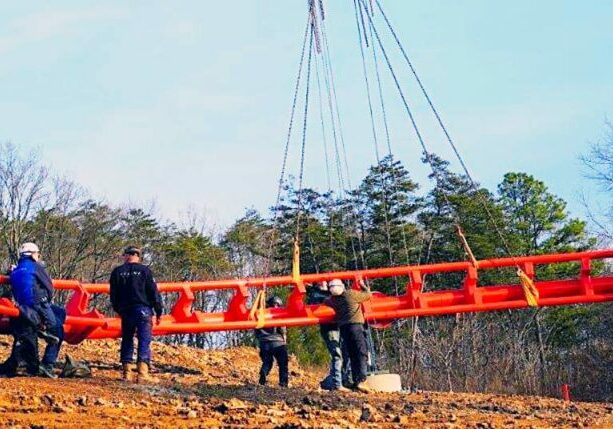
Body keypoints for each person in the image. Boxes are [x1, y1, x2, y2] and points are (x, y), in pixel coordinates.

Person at [109, 246, 163, 383]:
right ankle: (142, 373)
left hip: (126, 310)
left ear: (125, 256)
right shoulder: (145, 271)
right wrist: (159, 311)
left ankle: (127, 372)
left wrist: (118, 310)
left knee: (127, 339)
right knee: (144, 340)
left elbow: (113, 295)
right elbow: (153, 292)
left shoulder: (117, 272)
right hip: (143, 309)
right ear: (138, 256)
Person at [324, 278, 372, 393]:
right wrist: (362, 285)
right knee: (361, 353)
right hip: (356, 327)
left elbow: (326, 301)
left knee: (352, 354)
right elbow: (368, 295)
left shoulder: (333, 300)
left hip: (344, 330)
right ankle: (361, 380)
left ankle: (356, 381)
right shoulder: (351, 295)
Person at [9, 243, 60, 345]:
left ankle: (40, 327)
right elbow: (48, 284)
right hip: (38, 301)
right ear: (32, 254)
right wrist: (47, 298)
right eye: (37, 253)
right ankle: (42, 331)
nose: (38, 256)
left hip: (22, 305)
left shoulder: (16, 270)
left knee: (37, 318)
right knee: (54, 323)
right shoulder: (36, 266)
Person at [306, 282, 350, 392]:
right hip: (329, 328)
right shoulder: (316, 294)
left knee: (346, 353)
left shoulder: (332, 294)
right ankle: (337, 384)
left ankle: (341, 380)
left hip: (339, 326)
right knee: (337, 354)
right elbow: (313, 306)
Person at [254, 296, 289, 387]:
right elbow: (282, 327)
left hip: (264, 343)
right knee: (283, 363)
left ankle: (264, 373)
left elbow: (256, 330)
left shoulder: (260, 314)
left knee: (267, 361)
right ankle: (283, 383)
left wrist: (260, 339)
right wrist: (284, 338)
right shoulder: (278, 313)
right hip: (278, 342)